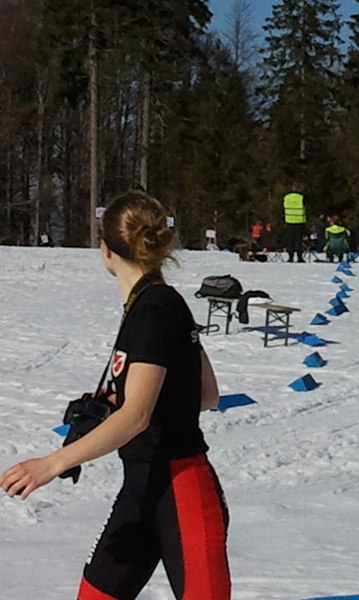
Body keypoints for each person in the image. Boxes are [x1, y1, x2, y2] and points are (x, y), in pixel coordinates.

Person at [0, 189, 231, 600]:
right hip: (141, 492)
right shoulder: (160, 303)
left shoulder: (152, 311)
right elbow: (205, 394)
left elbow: (137, 417)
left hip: (181, 491)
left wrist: (52, 464)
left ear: (106, 250)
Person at [283, 186, 307, 262]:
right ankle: (299, 257)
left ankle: (290, 257)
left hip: (289, 221)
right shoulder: (302, 197)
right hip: (299, 222)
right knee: (298, 241)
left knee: (290, 241)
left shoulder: (286, 197)